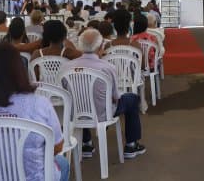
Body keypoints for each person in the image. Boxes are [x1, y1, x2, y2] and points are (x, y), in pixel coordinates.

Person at [0, 43, 69, 181]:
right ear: (19, 69)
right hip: (33, 178)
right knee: (63, 164)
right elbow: (58, 146)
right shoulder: (40, 104)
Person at [60, 29, 146, 159]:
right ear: (100, 47)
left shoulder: (66, 67)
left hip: (75, 113)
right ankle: (131, 145)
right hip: (103, 113)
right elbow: (116, 97)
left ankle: (86, 143)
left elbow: (66, 94)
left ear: (80, 46)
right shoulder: (107, 67)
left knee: (82, 99)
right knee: (132, 99)